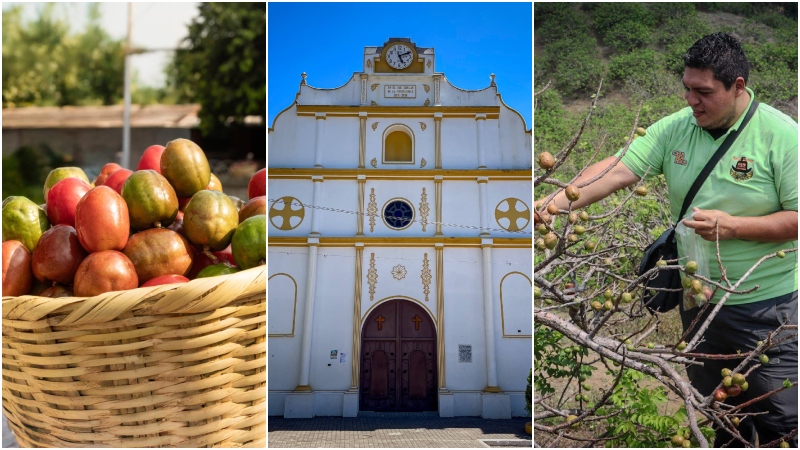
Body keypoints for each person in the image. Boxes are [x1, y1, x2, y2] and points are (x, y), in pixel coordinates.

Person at [537, 33, 798, 448]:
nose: (692, 101)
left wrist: (734, 227)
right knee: (718, 411)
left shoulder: (782, 136)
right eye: (687, 89)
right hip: (697, 300)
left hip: (767, 306)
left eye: (704, 92)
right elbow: (618, 170)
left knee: (779, 418)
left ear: (738, 86)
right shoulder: (678, 127)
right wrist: (554, 202)